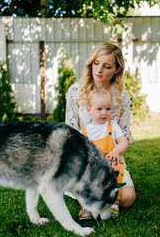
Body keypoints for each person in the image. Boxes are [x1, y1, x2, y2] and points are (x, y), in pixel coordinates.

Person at [65, 42, 136, 219]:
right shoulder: (75, 91)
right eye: (96, 63)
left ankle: (109, 198)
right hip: (84, 157)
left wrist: (114, 154)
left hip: (112, 158)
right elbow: (71, 131)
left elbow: (124, 132)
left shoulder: (122, 97)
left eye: (107, 66)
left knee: (127, 198)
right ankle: (88, 203)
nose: (99, 70)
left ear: (117, 69)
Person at [80, 88, 128, 218]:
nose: (104, 113)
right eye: (99, 109)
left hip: (111, 163)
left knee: (113, 181)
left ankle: (113, 204)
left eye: (108, 109)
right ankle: (87, 207)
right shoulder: (84, 131)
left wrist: (115, 151)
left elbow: (124, 142)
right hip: (93, 165)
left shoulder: (112, 125)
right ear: (89, 110)